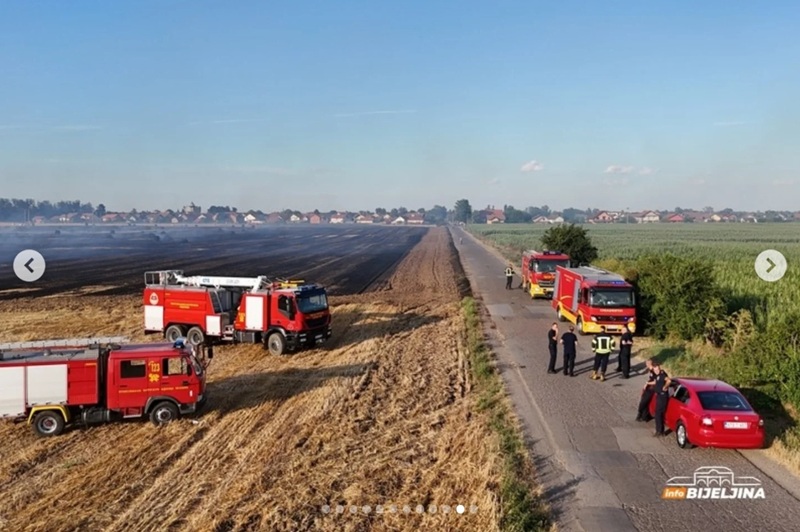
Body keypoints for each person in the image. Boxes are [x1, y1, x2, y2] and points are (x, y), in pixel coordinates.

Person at [652, 361, 671, 436]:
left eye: (657, 369)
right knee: (659, 414)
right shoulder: (657, 375)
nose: (656, 370)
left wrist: (665, 386)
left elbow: (669, 380)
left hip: (662, 396)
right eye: (654, 369)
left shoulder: (662, 374)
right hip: (659, 396)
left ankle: (659, 431)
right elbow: (656, 382)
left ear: (659, 367)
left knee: (658, 414)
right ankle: (661, 431)